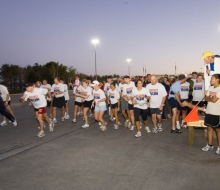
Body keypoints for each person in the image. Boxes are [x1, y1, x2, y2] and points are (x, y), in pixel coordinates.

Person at [201, 74, 220, 155]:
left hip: (217, 113)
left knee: (218, 131)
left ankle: (219, 147)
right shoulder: (211, 88)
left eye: (212, 78)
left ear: (217, 79)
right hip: (209, 112)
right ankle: (210, 145)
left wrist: (208, 97)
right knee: (209, 129)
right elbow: (206, 98)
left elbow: (214, 100)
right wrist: (209, 98)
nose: (210, 80)